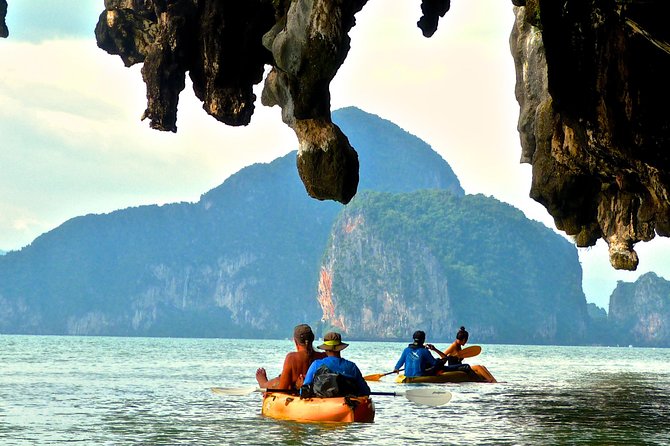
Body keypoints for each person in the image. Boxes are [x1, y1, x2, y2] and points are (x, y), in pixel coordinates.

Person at [255, 323, 326, 390]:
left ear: (295, 341)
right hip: (312, 389)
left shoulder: (291, 357)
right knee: (281, 379)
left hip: (294, 390)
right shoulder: (323, 356)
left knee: (278, 380)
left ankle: (263, 384)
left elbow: (282, 389)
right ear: (312, 339)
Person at [300, 332, 371, 397]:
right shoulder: (352, 367)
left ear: (325, 349)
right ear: (340, 348)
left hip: (322, 406)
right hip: (346, 405)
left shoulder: (316, 365)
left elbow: (303, 391)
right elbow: (366, 391)